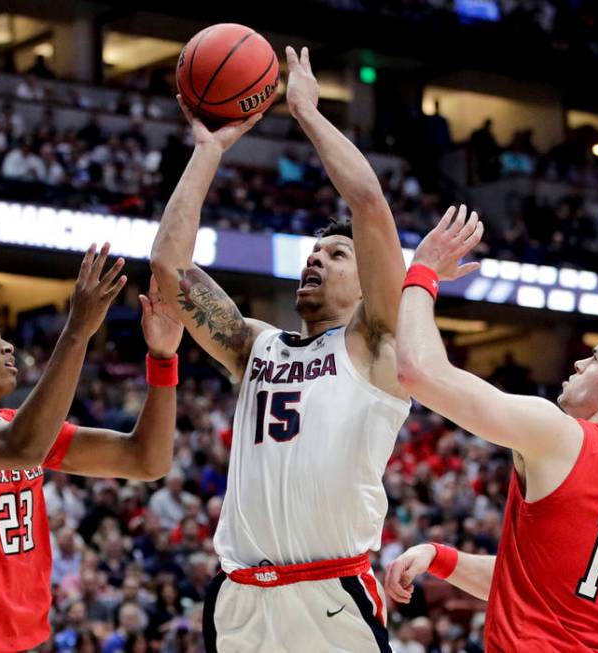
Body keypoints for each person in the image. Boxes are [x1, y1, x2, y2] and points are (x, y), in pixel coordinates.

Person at [151, 47, 410, 652]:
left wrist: (307, 113)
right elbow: (169, 269)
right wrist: (208, 152)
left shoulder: (378, 344)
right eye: (313, 254)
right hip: (240, 596)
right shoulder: (256, 346)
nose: (316, 257)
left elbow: (370, 206)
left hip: (328, 595)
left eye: (336, 255)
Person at [385, 205, 598, 651]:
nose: (579, 363)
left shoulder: (561, 436)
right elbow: (535, 588)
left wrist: (423, 271)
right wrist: (441, 557)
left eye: (595, 358)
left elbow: (418, 372)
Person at [0, 244, 182, 652]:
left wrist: (162, 358)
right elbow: (24, 447)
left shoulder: (18, 426)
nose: (7, 346)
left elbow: (146, 459)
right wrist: (78, 330)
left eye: (3, 337)